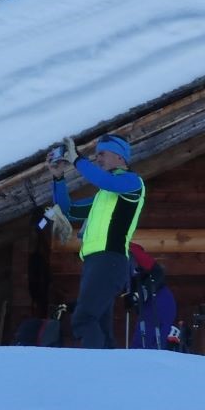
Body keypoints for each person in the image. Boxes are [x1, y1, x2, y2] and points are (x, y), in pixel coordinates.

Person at [49, 133, 146, 349]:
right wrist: (58, 178)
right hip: (96, 263)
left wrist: (77, 160)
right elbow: (68, 210)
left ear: (120, 157)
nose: (98, 159)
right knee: (101, 326)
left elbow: (106, 181)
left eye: (102, 153)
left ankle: (92, 370)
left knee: (84, 319)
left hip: (110, 260)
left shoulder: (132, 182)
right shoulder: (104, 195)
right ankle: (108, 374)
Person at [127, 242, 177, 350]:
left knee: (150, 344)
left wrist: (144, 291)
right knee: (143, 344)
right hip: (147, 304)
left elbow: (157, 272)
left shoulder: (132, 251)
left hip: (158, 298)